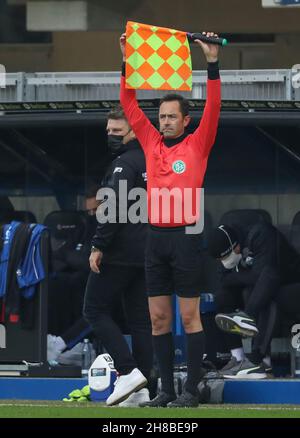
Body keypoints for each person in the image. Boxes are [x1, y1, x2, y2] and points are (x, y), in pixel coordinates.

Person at [119, 31, 221, 407]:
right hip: (155, 239)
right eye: (160, 116)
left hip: (186, 238)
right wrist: (128, 60)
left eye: (171, 117)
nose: (164, 122)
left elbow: (214, 105)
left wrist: (211, 62)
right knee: (158, 320)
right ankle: (164, 390)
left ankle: (191, 391)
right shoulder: (150, 142)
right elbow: (127, 102)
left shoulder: (198, 143)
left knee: (189, 317)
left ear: (185, 120)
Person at [83, 107, 153, 407]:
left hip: (121, 250)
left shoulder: (124, 163)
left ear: (133, 131)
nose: (111, 136)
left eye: (117, 131)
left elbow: (113, 208)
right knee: (140, 321)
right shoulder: (153, 160)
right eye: (108, 131)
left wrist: (98, 245)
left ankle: (128, 372)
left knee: (93, 309)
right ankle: (142, 389)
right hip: (148, 251)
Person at [208, 222, 300, 379]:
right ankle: (238, 359)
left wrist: (236, 277)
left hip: (291, 287)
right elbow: (223, 280)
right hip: (259, 293)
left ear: (235, 245)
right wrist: (239, 277)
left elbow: (265, 275)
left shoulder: (261, 235)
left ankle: (260, 361)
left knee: (266, 293)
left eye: (225, 256)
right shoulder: (228, 253)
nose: (224, 262)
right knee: (224, 296)